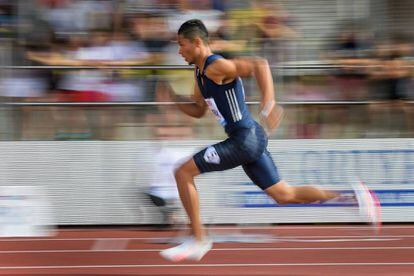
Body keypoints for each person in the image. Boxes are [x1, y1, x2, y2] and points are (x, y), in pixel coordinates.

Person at [160, 19, 380, 262]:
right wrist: (173, 100)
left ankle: (199, 239)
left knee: (182, 173)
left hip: (245, 139)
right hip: (247, 138)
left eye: (181, 45)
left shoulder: (216, 66)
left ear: (197, 42)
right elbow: (198, 109)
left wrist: (269, 102)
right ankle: (351, 196)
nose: (179, 51)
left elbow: (259, 64)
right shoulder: (200, 73)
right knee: (284, 194)